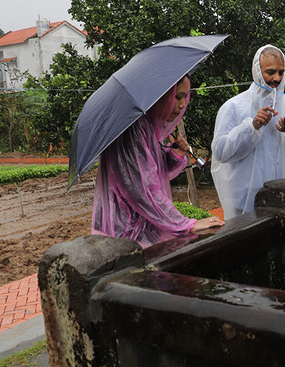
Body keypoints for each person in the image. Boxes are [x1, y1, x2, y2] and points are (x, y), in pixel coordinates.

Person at [92, 74, 225, 248]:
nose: (182, 105)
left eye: (185, 97)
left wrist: (174, 155)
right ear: (160, 94)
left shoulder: (147, 126)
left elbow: (152, 171)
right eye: (177, 97)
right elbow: (141, 190)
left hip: (141, 231)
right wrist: (186, 224)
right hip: (126, 235)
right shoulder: (132, 129)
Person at [211, 45, 285, 219]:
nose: (277, 78)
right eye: (270, 72)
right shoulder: (234, 107)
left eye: (281, 72)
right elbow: (221, 152)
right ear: (257, 71)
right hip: (246, 203)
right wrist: (251, 127)